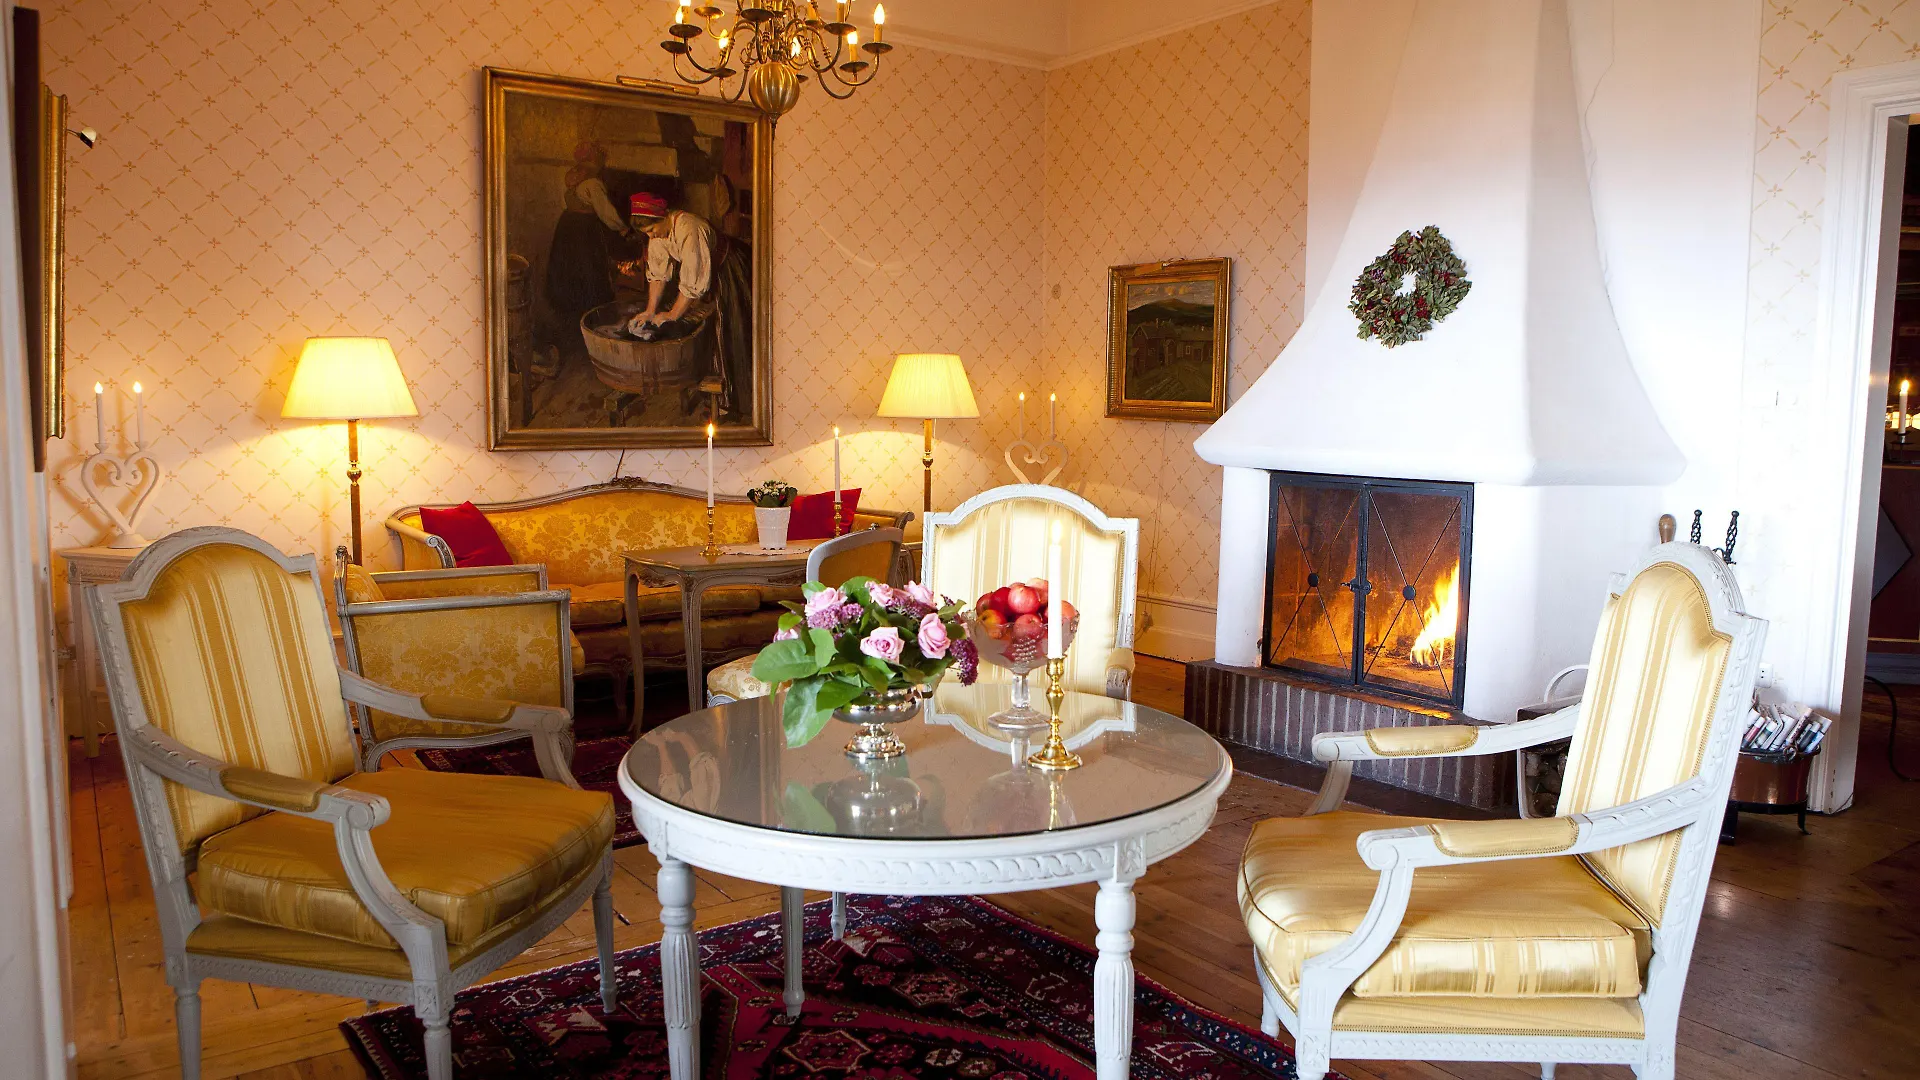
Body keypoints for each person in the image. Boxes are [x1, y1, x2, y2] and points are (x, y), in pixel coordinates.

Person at [626, 192, 754, 421]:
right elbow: (658, 275)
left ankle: (732, 403)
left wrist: (672, 314)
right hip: (707, 276)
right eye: (647, 234)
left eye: (652, 230)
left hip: (730, 269)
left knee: (729, 331)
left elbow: (693, 282)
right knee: (704, 333)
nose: (652, 236)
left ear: (663, 216)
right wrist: (650, 310)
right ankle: (714, 394)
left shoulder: (690, 228)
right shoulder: (658, 235)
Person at [543, 141, 633, 361]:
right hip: (583, 234)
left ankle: (575, 330)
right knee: (590, 275)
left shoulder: (573, 178)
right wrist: (625, 229)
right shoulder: (592, 183)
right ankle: (591, 331)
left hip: (567, 230)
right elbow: (606, 212)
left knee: (570, 276)